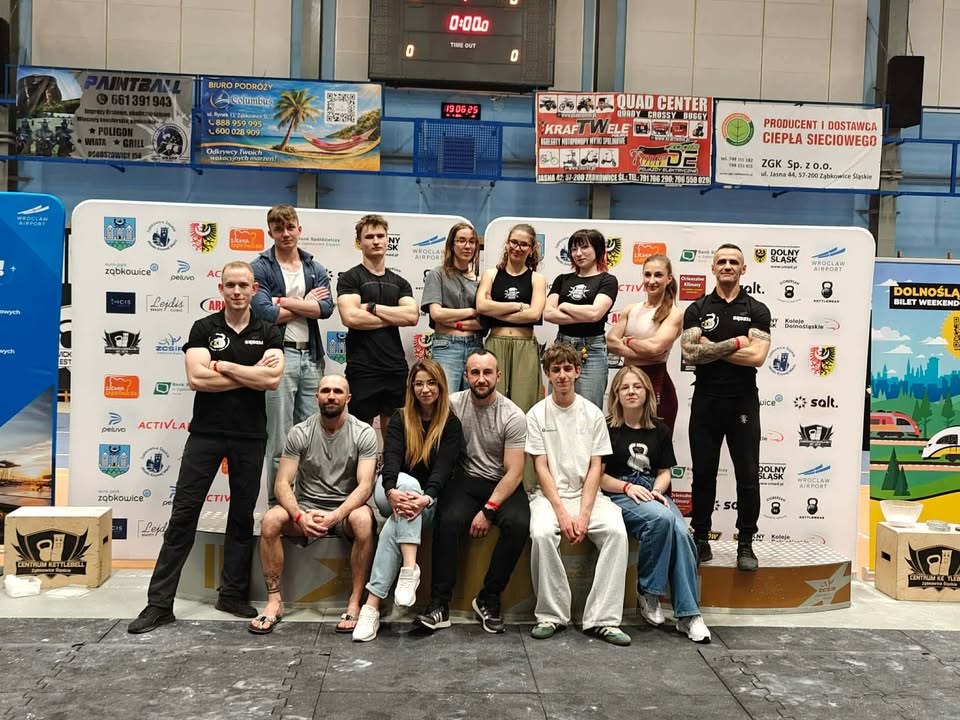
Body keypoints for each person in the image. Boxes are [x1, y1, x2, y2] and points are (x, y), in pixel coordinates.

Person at [128, 262, 284, 634]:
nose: (237, 291)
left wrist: (223, 365)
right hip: (206, 434)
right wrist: (250, 373)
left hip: (250, 436)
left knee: (242, 518)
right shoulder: (204, 327)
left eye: (243, 285)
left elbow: (273, 380)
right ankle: (159, 604)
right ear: (221, 289)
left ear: (254, 289)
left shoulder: (268, 330)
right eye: (230, 285)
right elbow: (197, 378)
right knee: (183, 515)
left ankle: (231, 594)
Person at [249, 374, 378, 635]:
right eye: (326, 391)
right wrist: (299, 516)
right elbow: (282, 484)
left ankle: (355, 602)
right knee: (271, 519)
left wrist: (336, 515)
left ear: (348, 398)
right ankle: (274, 602)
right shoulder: (300, 432)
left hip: (344, 512)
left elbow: (365, 486)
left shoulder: (363, 432)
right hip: (306, 510)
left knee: (364, 520)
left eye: (337, 391)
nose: (331, 396)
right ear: (316, 396)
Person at [417, 349, 529, 634]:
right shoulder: (452, 405)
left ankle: (489, 598)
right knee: (448, 519)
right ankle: (439, 604)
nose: (481, 379)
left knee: (518, 524)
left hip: (502, 483)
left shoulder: (513, 416)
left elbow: (515, 472)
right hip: (466, 480)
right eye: (475, 372)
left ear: (498, 376)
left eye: (487, 372)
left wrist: (488, 510)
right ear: (465, 376)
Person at [525, 343, 630, 646]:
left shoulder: (593, 413)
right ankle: (552, 615)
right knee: (542, 533)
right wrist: (561, 512)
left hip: (588, 495)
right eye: (555, 370)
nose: (562, 375)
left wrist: (583, 515)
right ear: (547, 374)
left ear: (578, 372)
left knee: (616, 532)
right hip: (549, 496)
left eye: (567, 369)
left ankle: (603, 619)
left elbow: (596, 467)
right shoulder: (536, 414)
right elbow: (541, 467)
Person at [353, 359, 463, 642]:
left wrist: (425, 498)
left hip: (425, 500)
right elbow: (390, 460)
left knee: (394, 526)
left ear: (441, 386)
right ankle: (410, 568)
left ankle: (370, 607)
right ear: (411, 388)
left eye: (431, 383)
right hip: (390, 492)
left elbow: (442, 470)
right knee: (408, 486)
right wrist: (391, 491)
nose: (425, 389)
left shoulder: (450, 424)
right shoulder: (400, 418)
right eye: (419, 384)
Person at [601, 366, 711, 643]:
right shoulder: (607, 428)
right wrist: (627, 487)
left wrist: (657, 491)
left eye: (637, 386)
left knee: (682, 533)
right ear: (616, 394)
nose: (631, 392)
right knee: (662, 519)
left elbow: (664, 472)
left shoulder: (659, 428)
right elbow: (598, 476)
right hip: (619, 490)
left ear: (647, 392)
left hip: (651, 489)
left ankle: (689, 616)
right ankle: (648, 590)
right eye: (625, 387)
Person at [681, 244, 771, 571]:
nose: (727, 266)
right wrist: (736, 343)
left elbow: (757, 356)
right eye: (722, 261)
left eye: (734, 262)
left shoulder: (757, 309)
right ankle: (700, 539)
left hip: (742, 402)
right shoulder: (697, 308)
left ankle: (745, 543)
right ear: (713, 268)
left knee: (747, 475)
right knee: (703, 474)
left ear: (743, 269)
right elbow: (690, 353)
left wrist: (712, 347)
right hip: (706, 401)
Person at [252, 204, 334, 505]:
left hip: (311, 357)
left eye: (290, 227)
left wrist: (284, 301)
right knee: (280, 439)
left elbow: (325, 309)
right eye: (278, 229)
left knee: (311, 437)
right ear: (270, 232)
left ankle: (308, 504)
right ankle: (278, 506)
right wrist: (304, 302)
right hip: (278, 357)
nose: (285, 234)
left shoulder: (314, 267)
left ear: (299, 229)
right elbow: (265, 312)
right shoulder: (260, 267)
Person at [337, 214, 419, 433]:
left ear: (387, 240)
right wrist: (393, 318)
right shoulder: (350, 278)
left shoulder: (400, 283)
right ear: (359, 242)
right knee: (360, 433)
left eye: (380, 236)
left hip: (395, 367)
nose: (376, 241)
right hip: (362, 367)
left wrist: (373, 308)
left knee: (395, 433)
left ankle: (390, 460)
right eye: (369, 236)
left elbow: (412, 316)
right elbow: (351, 318)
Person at [475, 223, 547, 414]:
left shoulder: (537, 279)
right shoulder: (491, 274)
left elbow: (534, 314)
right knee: (491, 404)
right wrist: (518, 306)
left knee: (524, 405)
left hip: (525, 345)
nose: (517, 248)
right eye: (514, 242)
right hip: (495, 343)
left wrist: (495, 309)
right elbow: (481, 306)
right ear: (507, 244)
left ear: (531, 249)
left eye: (524, 244)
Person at [606, 254, 682, 431]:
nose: (652, 280)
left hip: (657, 383)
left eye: (658, 275)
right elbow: (610, 342)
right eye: (647, 275)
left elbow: (655, 348)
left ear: (669, 278)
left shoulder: (674, 313)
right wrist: (645, 351)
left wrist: (628, 340)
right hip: (626, 380)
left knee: (656, 442)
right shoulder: (631, 309)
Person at [543, 228, 618, 409]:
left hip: (592, 349)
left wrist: (565, 306)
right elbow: (548, 313)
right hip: (563, 344)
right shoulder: (562, 280)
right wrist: (585, 315)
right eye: (574, 249)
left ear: (598, 250)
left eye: (584, 247)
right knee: (558, 405)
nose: (578, 253)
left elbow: (595, 314)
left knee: (589, 408)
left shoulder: (607, 280)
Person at [420, 222, 484, 392]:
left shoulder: (481, 280)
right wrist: (471, 311)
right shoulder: (437, 274)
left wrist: (455, 322)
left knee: (474, 401)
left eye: (472, 242)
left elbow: (483, 322)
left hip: (475, 345)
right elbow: (436, 314)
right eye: (461, 240)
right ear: (451, 244)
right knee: (446, 400)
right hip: (446, 346)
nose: (467, 246)